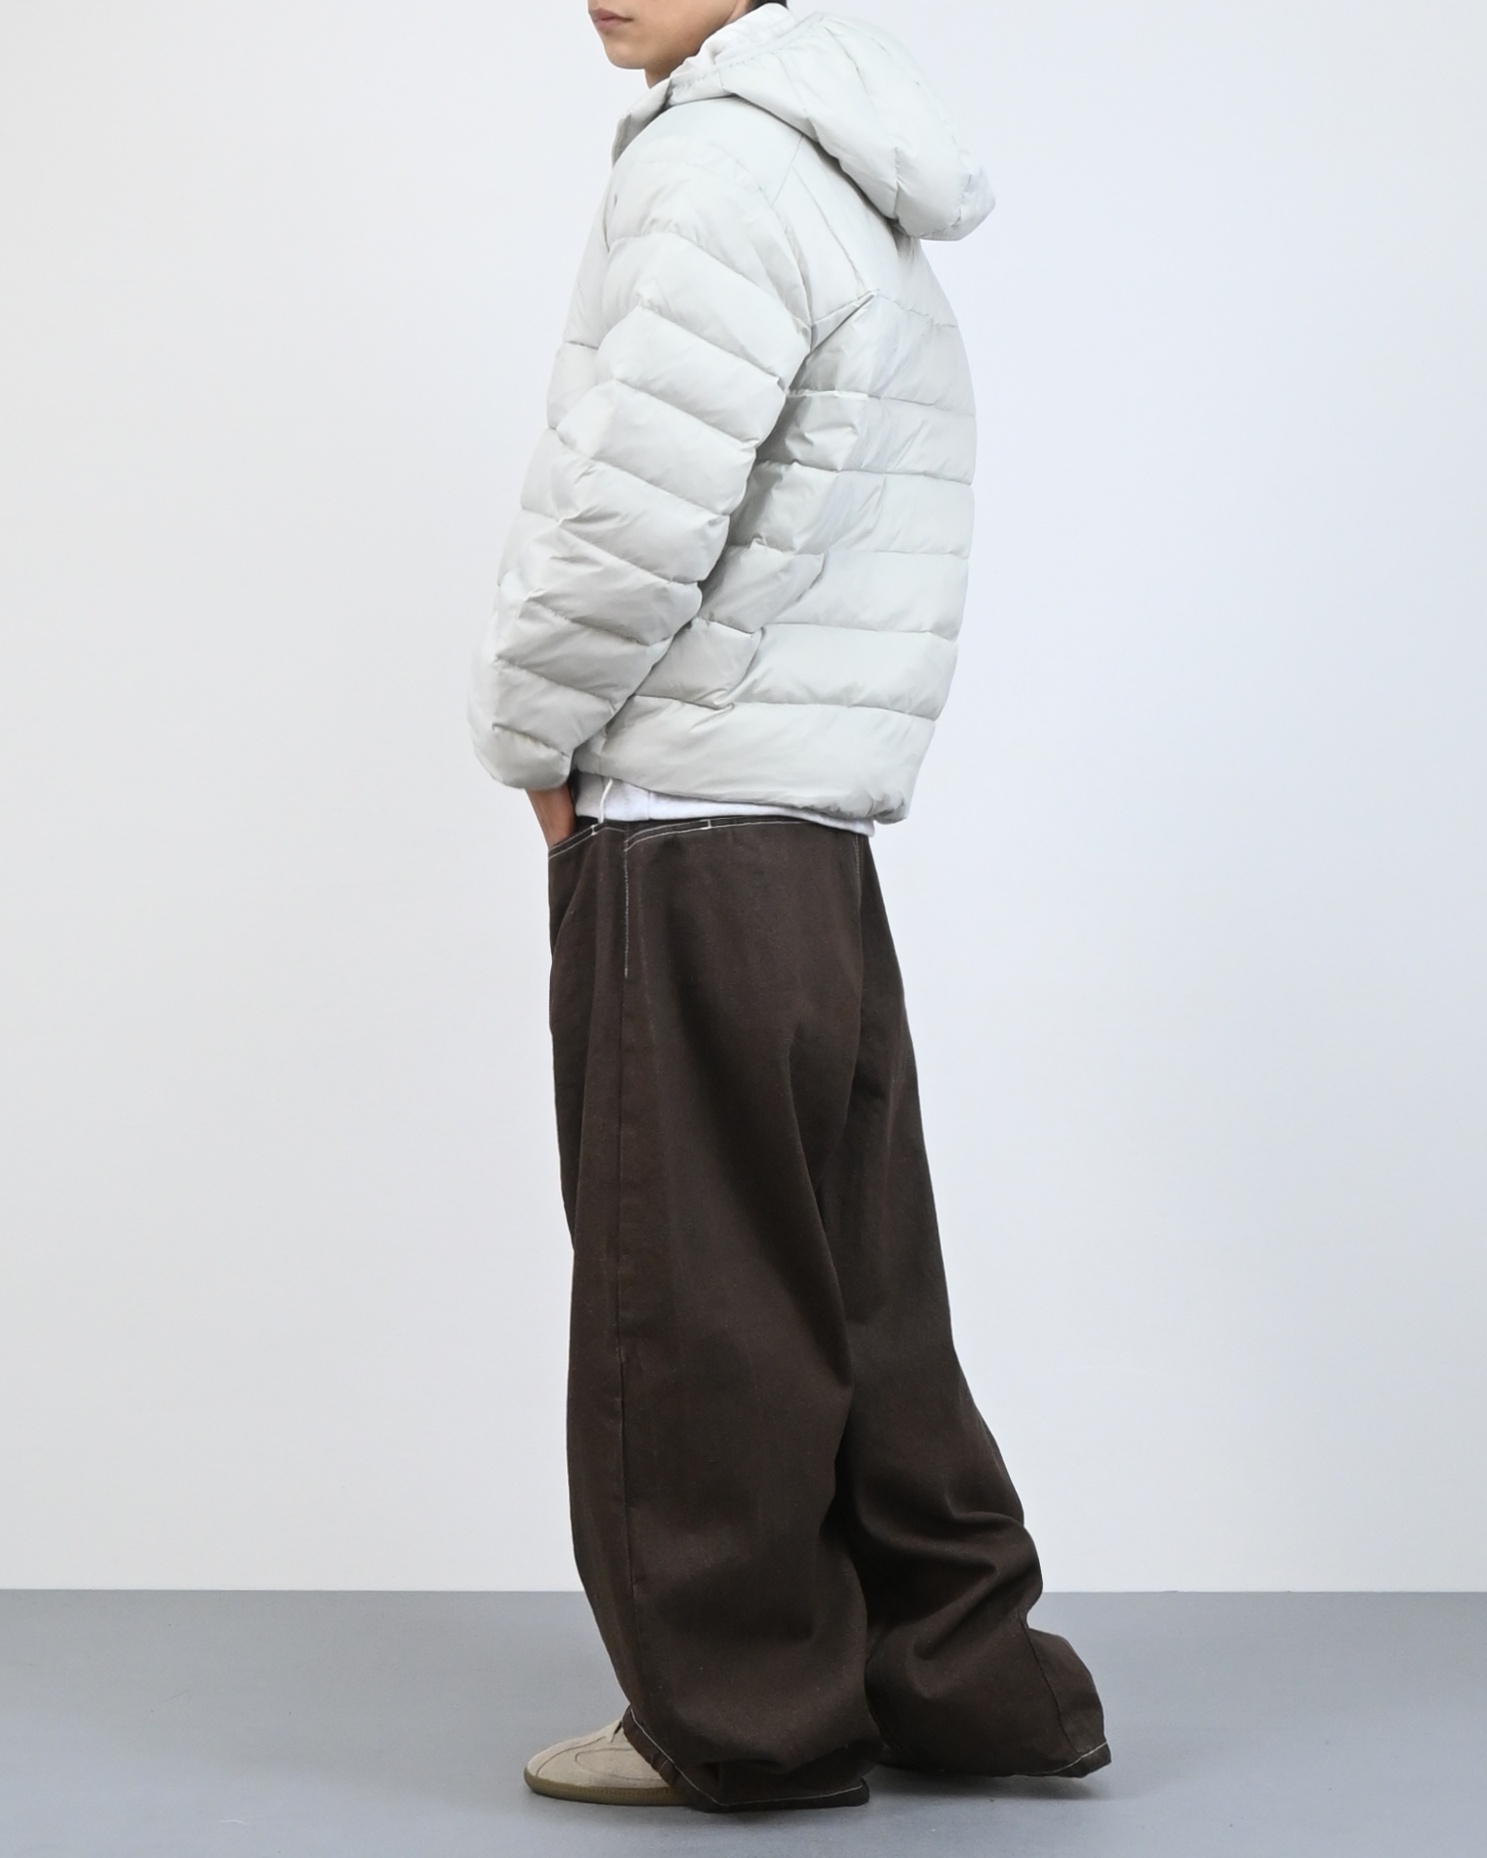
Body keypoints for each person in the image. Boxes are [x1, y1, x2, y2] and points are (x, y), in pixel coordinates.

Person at [470, 0, 1110, 1813]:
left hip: (685, 823)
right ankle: (961, 1678)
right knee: (861, 1282)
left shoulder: (714, 166)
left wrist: (531, 734)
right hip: (811, 830)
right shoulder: (854, 175)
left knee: (696, 1296)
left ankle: (743, 1712)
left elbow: (628, 512)